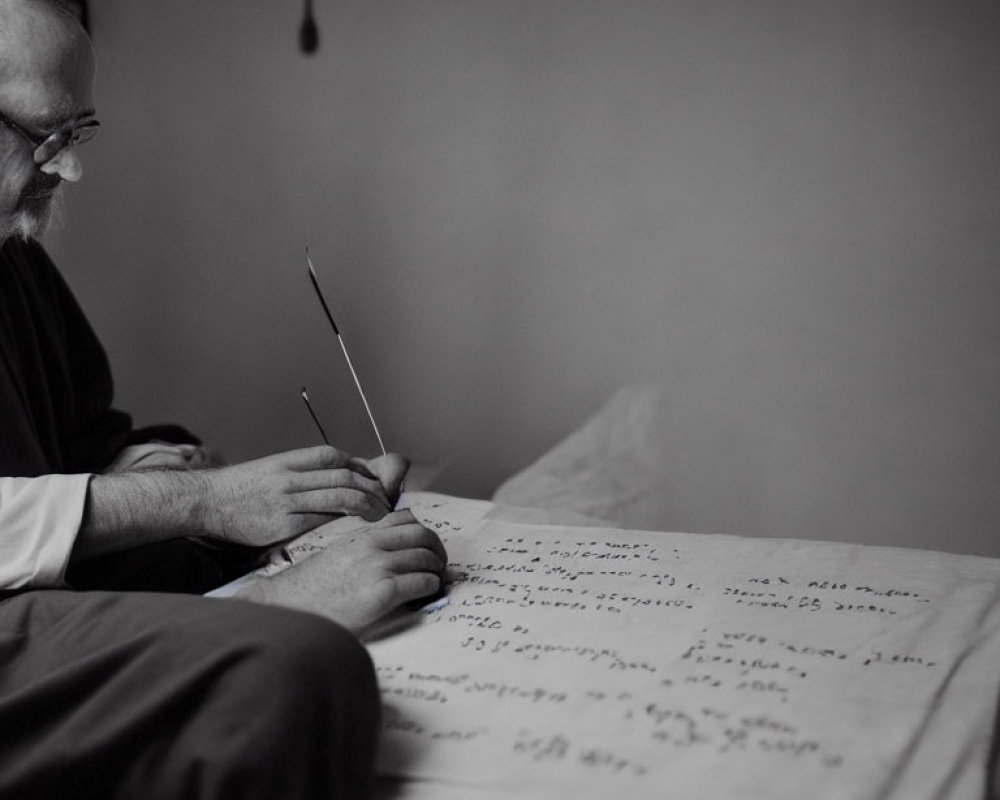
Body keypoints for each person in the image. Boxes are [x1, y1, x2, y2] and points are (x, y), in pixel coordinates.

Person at [0, 1, 447, 797]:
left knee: (216, 526)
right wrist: (270, 596)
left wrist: (165, 475)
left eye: (80, 131)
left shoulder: (11, 255)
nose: (70, 168)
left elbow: (82, 436)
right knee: (294, 670)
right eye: (45, 134)